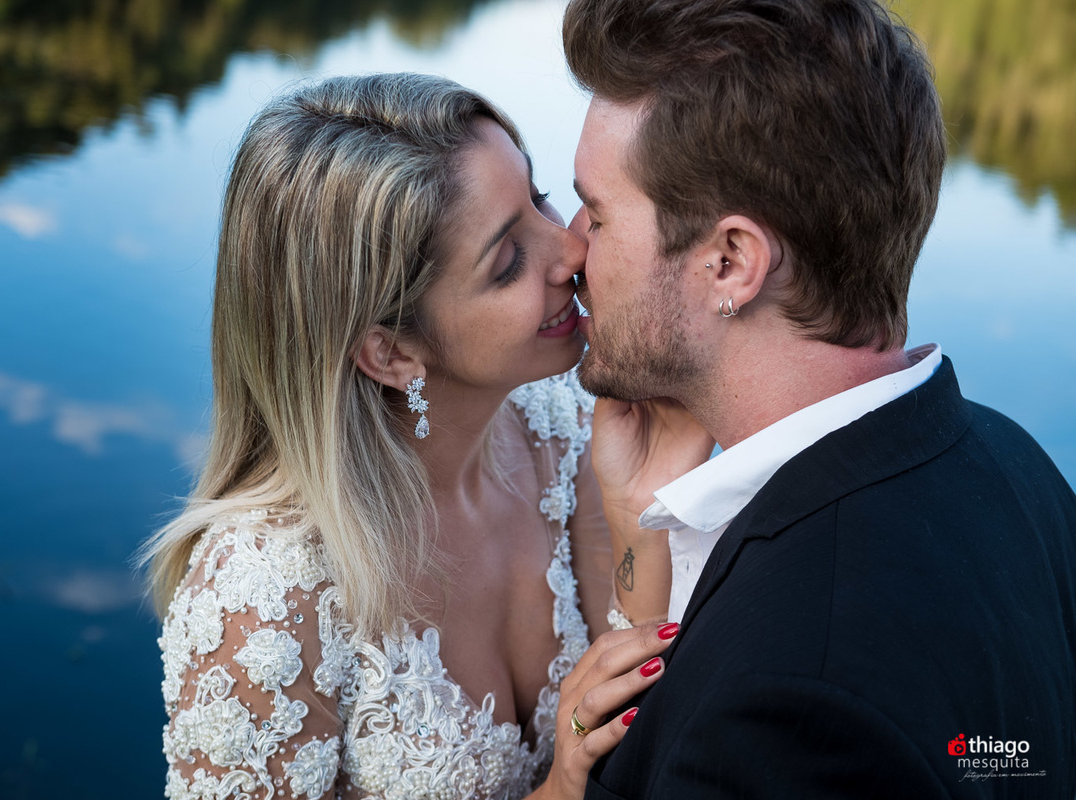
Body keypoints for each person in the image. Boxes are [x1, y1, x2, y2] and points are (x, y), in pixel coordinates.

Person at [139, 73, 708, 800]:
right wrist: (561, 790)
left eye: (536, 197)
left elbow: (635, 704)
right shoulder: (263, 603)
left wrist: (641, 515)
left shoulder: (560, 424)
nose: (569, 253)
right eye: (506, 263)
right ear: (391, 352)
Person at [560, 0, 1076, 795]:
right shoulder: (1014, 464)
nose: (569, 250)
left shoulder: (786, 711)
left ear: (731, 262)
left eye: (596, 214)